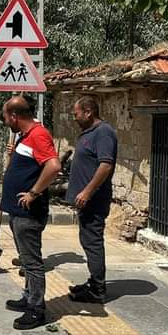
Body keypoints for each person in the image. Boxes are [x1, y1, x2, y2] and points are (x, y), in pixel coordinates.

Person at [0, 95, 61, 330]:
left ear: (15, 116)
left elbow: (53, 166)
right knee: (25, 260)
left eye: (6, 117)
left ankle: (37, 309)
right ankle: (28, 297)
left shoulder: (39, 134)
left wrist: (33, 193)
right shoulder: (25, 136)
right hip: (17, 212)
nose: (6, 122)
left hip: (29, 213)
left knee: (33, 263)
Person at [66, 95, 118, 304]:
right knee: (87, 240)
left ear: (88, 112)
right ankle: (94, 281)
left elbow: (106, 165)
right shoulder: (89, 133)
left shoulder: (104, 132)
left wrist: (87, 192)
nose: (74, 117)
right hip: (85, 200)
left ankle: (98, 289)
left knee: (93, 241)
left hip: (94, 200)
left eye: (76, 113)